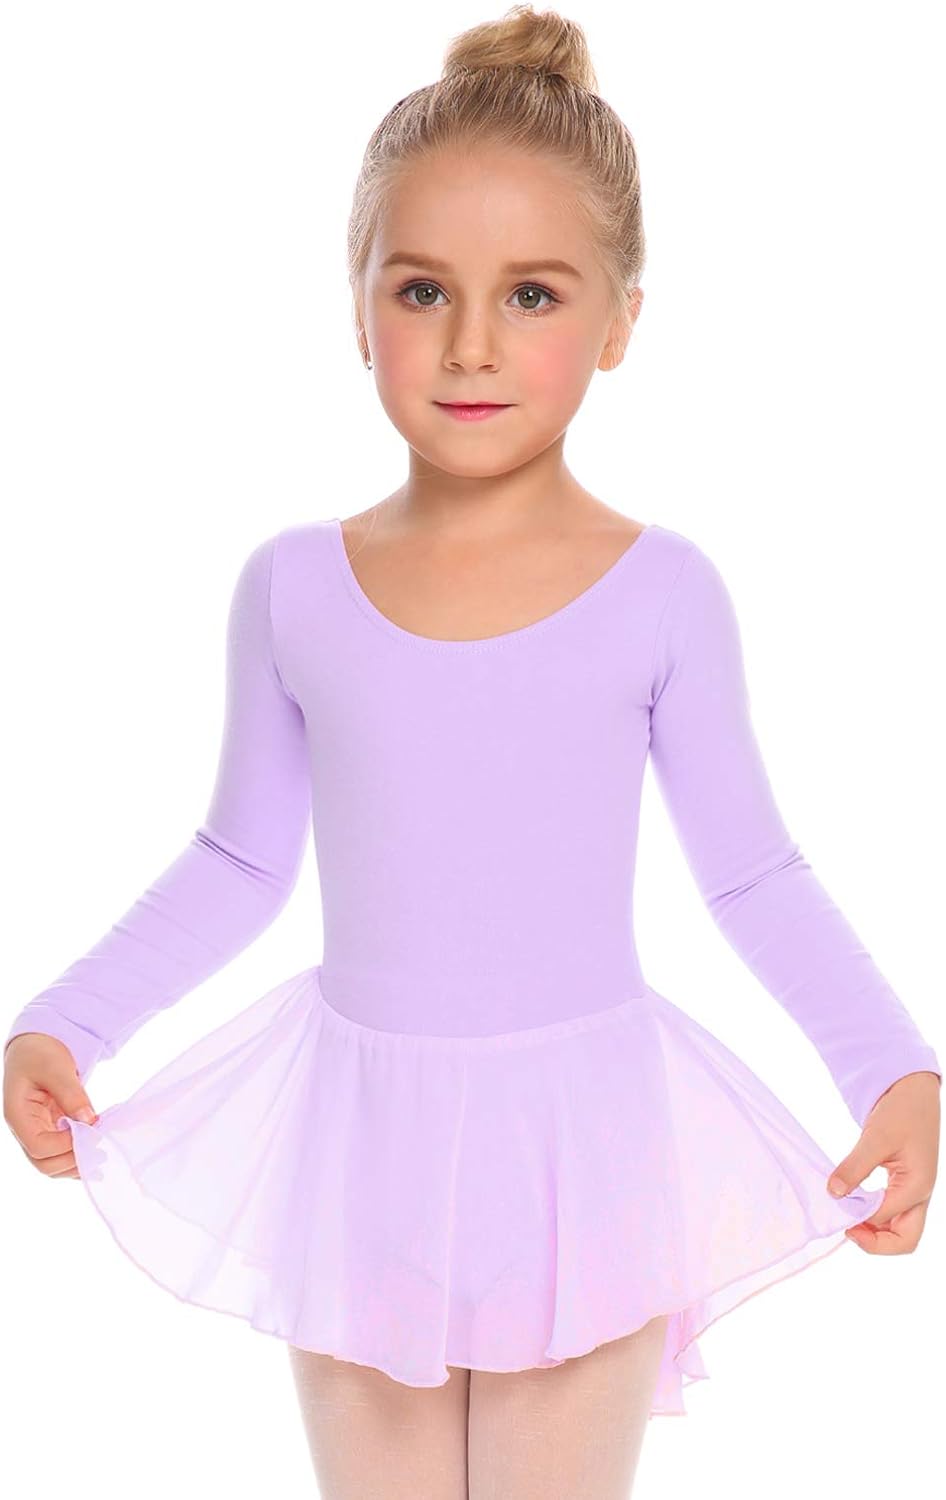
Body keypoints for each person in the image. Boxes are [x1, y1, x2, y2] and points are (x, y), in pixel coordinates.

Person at [4, 5, 941, 1496]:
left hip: (579, 1158)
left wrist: (889, 1063)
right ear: (357, 303)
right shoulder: (293, 587)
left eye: (534, 294)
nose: (471, 344)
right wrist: (68, 1021)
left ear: (621, 321)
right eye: (425, 287)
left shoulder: (662, 593)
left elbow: (750, 873)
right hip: (360, 1151)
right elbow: (240, 858)